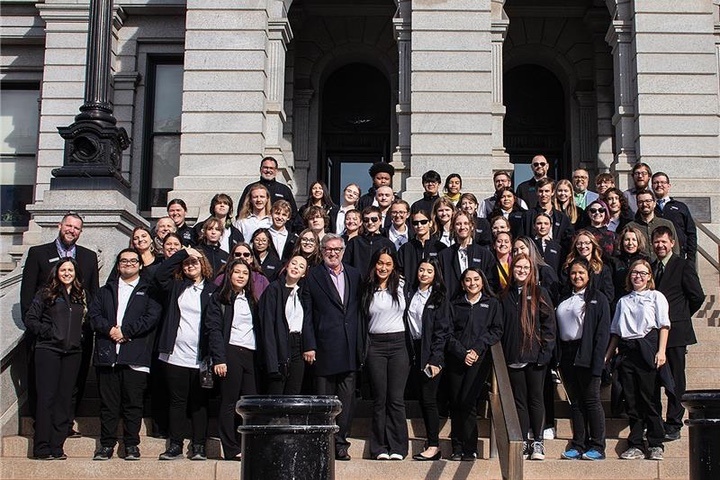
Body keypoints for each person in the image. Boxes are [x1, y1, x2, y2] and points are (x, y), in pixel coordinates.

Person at [20, 212, 99, 438]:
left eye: (76, 228)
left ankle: (66, 423)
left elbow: (92, 295)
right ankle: (41, 424)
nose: (71, 230)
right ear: (59, 225)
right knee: (43, 384)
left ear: (80, 232)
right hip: (46, 336)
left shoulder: (88, 257)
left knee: (73, 381)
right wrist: (40, 329)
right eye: (68, 225)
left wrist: (89, 327)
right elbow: (27, 295)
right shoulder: (38, 254)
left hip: (77, 335)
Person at [88, 249, 162, 461]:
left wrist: (127, 332)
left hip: (135, 356)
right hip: (108, 356)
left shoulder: (149, 291)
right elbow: (94, 315)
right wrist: (110, 330)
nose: (128, 264)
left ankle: (131, 445)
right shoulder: (105, 291)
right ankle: (106, 445)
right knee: (108, 405)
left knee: (133, 404)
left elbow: (152, 317)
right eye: (123, 261)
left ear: (140, 265)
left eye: (133, 261)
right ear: (118, 265)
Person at [302, 234, 364, 461]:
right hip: (324, 348)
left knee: (347, 401)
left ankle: (341, 442)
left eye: (337, 249)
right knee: (324, 400)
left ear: (343, 251)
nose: (333, 253)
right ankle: (323, 442)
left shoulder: (355, 274)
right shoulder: (313, 276)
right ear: (321, 250)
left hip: (349, 347)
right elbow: (307, 314)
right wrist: (309, 345)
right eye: (328, 249)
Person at [605, 259, 670, 461]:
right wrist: (608, 354)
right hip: (627, 350)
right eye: (634, 272)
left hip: (647, 347)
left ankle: (656, 442)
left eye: (643, 273)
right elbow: (615, 331)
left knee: (649, 398)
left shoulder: (655, 297)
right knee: (631, 400)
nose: (638, 276)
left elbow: (664, 326)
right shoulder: (623, 301)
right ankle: (636, 444)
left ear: (649, 276)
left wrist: (661, 351)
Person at [155, 248, 217, 461]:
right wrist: (182, 253)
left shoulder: (212, 289)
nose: (190, 266)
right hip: (175, 355)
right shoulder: (176, 287)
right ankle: (175, 445)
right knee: (177, 402)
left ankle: (199, 445)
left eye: (194, 262)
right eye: (187, 263)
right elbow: (160, 274)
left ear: (203, 265)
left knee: (199, 403)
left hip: (201, 356)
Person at [23, 257, 87, 460]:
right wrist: (49, 332)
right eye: (63, 270)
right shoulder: (46, 293)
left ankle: (57, 446)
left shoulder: (80, 295)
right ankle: (41, 447)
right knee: (46, 399)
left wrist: (79, 337)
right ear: (56, 272)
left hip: (72, 353)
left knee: (64, 400)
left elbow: (87, 319)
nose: (67, 273)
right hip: (48, 350)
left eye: (70, 269)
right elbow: (31, 319)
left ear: (76, 272)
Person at [500, 253, 556, 461]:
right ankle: (524, 440)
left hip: (535, 358)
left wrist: (545, 353)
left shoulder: (539, 292)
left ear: (531, 270)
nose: (522, 270)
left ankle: (538, 441)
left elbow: (549, 325)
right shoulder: (505, 295)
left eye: (526, 267)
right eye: (518, 267)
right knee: (519, 401)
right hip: (513, 356)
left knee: (535, 399)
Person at [651, 227, 704, 441]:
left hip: (677, 332)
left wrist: (681, 315)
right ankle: (656, 421)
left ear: (672, 243)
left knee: (675, 379)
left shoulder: (682, 265)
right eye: (656, 242)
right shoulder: (652, 267)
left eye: (664, 242)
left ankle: (674, 421)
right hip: (655, 333)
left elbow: (697, 296)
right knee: (656, 379)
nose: (660, 245)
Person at [556, 258, 610, 461]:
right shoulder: (564, 297)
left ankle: (597, 445)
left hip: (587, 352)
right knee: (576, 402)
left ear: (589, 275)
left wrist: (598, 362)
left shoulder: (598, 298)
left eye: (581, 273)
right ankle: (579, 443)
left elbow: (602, 333)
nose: (577, 277)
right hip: (567, 354)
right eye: (573, 273)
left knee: (591, 400)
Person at [446, 267, 502, 461]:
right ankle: (457, 446)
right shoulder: (454, 304)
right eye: (468, 280)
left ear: (482, 281)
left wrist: (476, 350)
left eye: (476, 279)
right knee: (455, 402)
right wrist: (462, 353)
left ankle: (470, 447)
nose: (472, 283)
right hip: (456, 359)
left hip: (479, 360)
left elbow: (496, 330)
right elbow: (448, 333)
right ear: (462, 283)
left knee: (468, 401)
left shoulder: (492, 304)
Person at [205, 258, 258, 461]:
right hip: (231, 351)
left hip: (250, 353)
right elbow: (214, 329)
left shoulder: (252, 299)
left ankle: (248, 444)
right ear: (229, 274)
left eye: (245, 273)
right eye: (237, 272)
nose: (241, 276)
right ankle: (230, 447)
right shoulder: (220, 298)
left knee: (250, 402)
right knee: (229, 402)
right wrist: (220, 358)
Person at [361, 248, 410, 460]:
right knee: (380, 398)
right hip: (376, 346)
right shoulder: (366, 288)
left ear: (394, 267)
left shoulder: (401, 285)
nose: (383, 268)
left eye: (388, 264)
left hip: (399, 344)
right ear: (375, 264)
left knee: (396, 398)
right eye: (380, 263)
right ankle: (379, 447)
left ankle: (398, 447)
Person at [406, 258, 450, 461]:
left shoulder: (439, 297)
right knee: (423, 398)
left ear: (435, 275)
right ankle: (430, 442)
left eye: (429, 271)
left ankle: (434, 445)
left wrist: (436, 358)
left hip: (431, 351)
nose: (424, 273)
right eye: (421, 269)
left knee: (429, 399)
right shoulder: (411, 293)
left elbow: (442, 332)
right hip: (413, 349)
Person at [259, 255, 309, 394]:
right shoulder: (273, 289)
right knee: (276, 392)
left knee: (293, 392)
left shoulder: (303, 292)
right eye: (293, 263)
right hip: (279, 344)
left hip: (298, 345)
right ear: (287, 266)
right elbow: (268, 325)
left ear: (304, 273)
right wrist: (272, 361)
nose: (296, 268)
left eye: (301, 266)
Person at [439, 211, 494, 298]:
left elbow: (491, 283)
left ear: (471, 226)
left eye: (466, 223)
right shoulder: (444, 255)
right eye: (458, 224)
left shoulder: (485, 254)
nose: (462, 227)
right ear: (453, 227)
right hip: (452, 305)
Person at [651, 172, 698, 264]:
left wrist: (690, 259)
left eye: (662, 182)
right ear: (652, 186)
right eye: (656, 183)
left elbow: (691, 233)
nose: (659, 185)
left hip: (679, 255)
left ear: (668, 186)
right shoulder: (648, 208)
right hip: (655, 257)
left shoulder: (680, 207)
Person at [562, 230, 615, 303]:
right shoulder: (568, 267)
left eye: (587, 243)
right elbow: (563, 291)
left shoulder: (602, 269)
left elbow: (609, 295)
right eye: (579, 243)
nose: (583, 246)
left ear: (593, 245)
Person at [626, 190, 679, 261]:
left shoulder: (667, 224)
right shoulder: (630, 226)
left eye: (648, 201)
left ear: (654, 203)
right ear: (637, 205)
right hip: (641, 268)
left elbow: (675, 249)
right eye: (641, 202)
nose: (644, 204)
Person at [343, 206, 395, 277]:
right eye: (366, 220)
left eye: (374, 219)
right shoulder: (354, 242)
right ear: (362, 222)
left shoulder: (388, 244)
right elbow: (346, 265)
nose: (370, 222)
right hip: (358, 284)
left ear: (380, 221)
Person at [524, 178, 574, 249]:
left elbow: (568, 241)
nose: (543, 194)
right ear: (537, 192)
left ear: (553, 192)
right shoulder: (528, 215)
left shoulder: (561, 217)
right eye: (541, 191)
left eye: (547, 191)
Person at [397, 210, 446, 280]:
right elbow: (399, 272)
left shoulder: (440, 247)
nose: (419, 226)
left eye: (423, 222)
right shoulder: (405, 249)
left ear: (430, 223)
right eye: (415, 223)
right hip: (411, 289)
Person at [512, 236, 560, 304]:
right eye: (515, 250)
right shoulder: (516, 273)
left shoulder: (545, 271)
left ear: (530, 249)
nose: (519, 252)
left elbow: (553, 298)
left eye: (522, 248)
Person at [612, 226, 650, 301]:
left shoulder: (646, 260)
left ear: (638, 242)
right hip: (619, 300)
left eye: (634, 240)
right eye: (627, 240)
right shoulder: (614, 261)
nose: (630, 243)